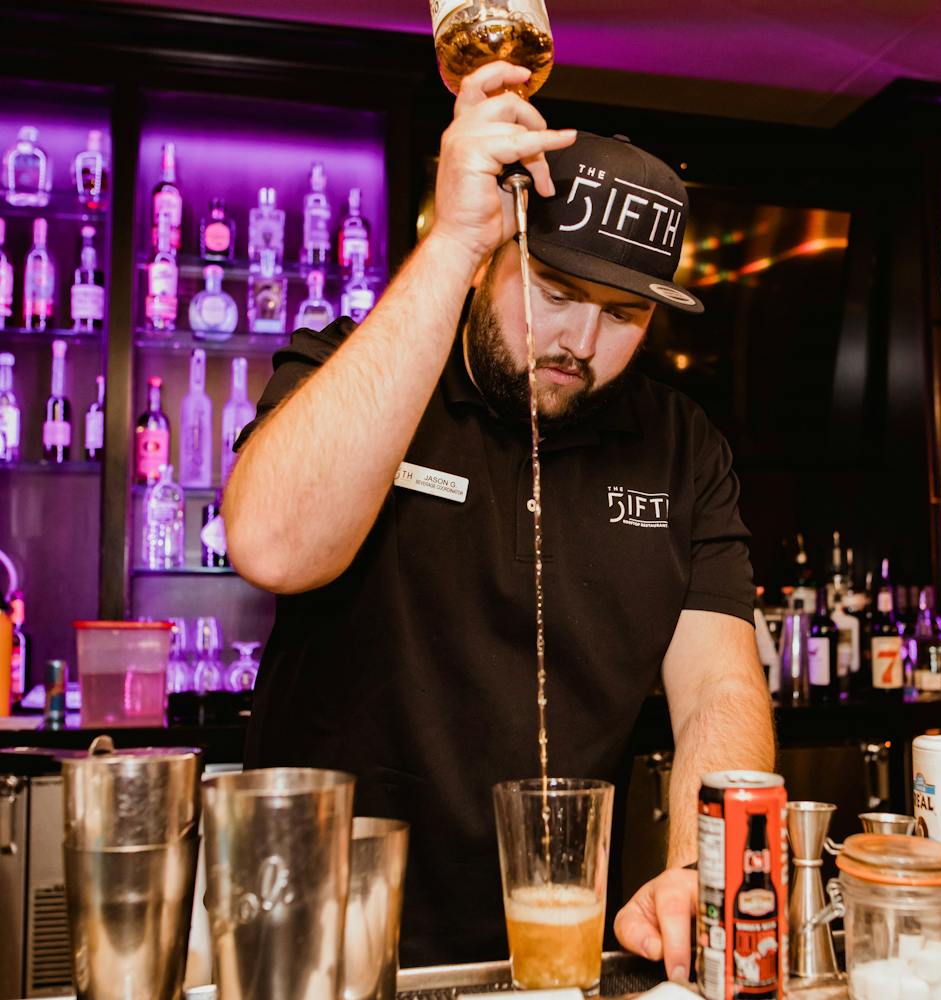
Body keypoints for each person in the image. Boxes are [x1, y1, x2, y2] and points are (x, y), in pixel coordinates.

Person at [224, 61, 774, 977]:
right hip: (321, 936)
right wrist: (448, 248)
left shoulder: (682, 448)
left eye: (624, 315)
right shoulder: (362, 372)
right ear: (490, 257)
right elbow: (271, 546)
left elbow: (720, 686)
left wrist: (700, 866)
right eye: (556, 294)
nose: (582, 345)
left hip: (548, 950)